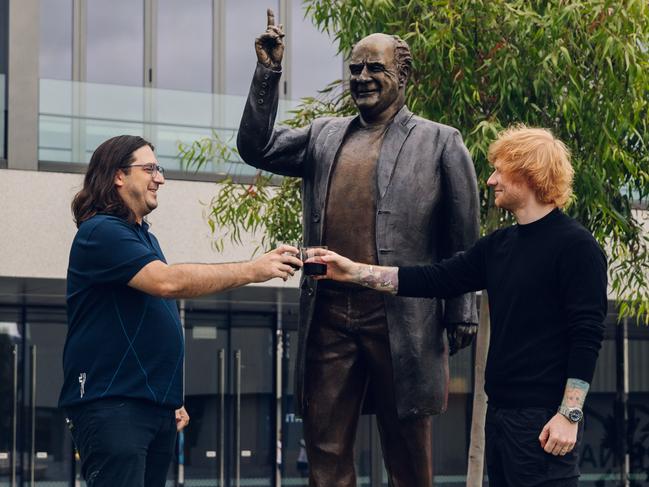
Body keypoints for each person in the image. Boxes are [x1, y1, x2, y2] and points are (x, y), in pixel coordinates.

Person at [237, 9, 480, 486]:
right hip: (328, 316)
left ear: (403, 75)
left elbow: (463, 236)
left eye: (375, 68)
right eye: (354, 69)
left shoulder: (440, 142)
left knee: (408, 451)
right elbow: (256, 148)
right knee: (324, 448)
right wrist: (268, 74)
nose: (362, 78)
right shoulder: (324, 135)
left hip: (402, 316)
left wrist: (462, 308)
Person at [314, 126, 608, 487]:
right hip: (501, 418)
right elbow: (433, 279)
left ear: (528, 172)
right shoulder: (499, 245)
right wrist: (353, 271)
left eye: (500, 170)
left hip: (547, 422)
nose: (490, 180)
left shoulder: (577, 247)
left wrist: (569, 414)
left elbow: (587, 335)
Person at [58, 135, 301, 487]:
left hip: (153, 407)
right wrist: (255, 269)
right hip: (113, 405)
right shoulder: (101, 232)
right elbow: (168, 283)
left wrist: (166, 395)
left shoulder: (144, 238)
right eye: (151, 168)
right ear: (118, 176)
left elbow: (150, 318)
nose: (161, 178)